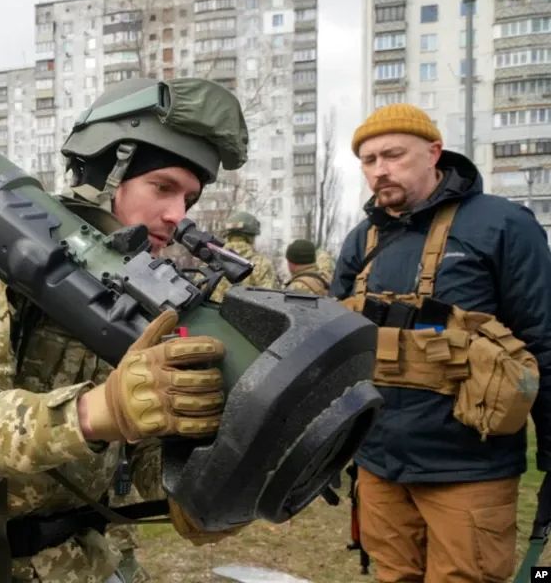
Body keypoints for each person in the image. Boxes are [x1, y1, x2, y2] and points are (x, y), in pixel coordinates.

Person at [0, 77, 248, 582]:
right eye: (162, 187)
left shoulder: (151, 293)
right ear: (107, 175)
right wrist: (99, 411)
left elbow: (144, 454)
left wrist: (202, 481)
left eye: (189, 198)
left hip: (82, 557)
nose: (176, 215)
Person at [332, 104, 551, 582]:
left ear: (434, 153)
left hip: (469, 468)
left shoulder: (502, 226)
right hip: (379, 463)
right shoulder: (361, 240)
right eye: (368, 161)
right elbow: (333, 347)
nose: (379, 170)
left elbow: (544, 341)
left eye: (393, 155)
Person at [209, 211, 279, 302]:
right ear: (251, 237)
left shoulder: (209, 260)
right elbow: (272, 301)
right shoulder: (263, 264)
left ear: (228, 235)